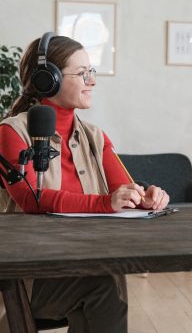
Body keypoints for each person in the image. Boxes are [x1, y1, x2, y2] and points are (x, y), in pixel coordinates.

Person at [0, 33, 170, 332]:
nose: (92, 81)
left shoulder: (95, 136)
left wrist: (145, 198)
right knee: (104, 283)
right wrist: (106, 203)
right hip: (24, 279)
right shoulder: (11, 133)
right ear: (46, 80)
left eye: (92, 72)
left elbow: (123, 191)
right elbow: (30, 199)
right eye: (82, 73)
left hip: (80, 264)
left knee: (104, 276)